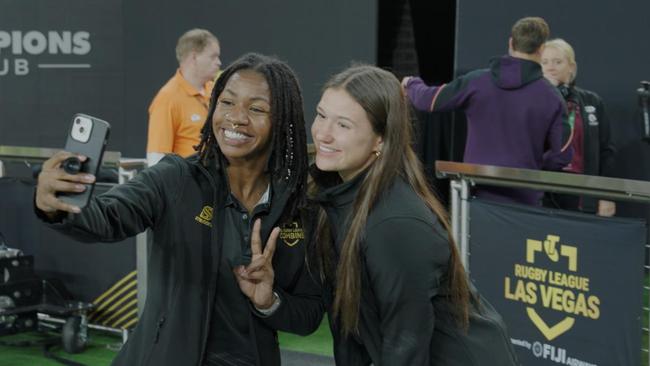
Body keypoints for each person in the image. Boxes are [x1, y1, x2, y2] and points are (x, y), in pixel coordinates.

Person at [35, 53, 323, 366]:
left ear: (282, 122)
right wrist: (58, 206)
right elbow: (109, 217)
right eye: (227, 102)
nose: (236, 117)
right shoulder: (177, 178)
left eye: (256, 108)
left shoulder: (298, 207)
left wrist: (270, 302)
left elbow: (307, 315)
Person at [308, 65, 519, 365]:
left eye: (343, 125)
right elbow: (348, 323)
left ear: (380, 140)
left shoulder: (395, 223)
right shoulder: (337, 196)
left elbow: (405, 342)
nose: (323, 133)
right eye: (321, 115)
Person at [402, 16, 572, 205]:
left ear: (510, 43)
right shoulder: (552, 97)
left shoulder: (476, 82)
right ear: (541, 49)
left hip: (475, 197)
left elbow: (428, 101)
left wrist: (411, 83)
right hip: (525, 202)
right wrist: (532, 167)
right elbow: (561, 155)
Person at [541, 38, 616, 216]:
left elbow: (607, 152)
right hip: (542, 189)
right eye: (544, 62)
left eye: (557, 62)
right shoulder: (533, 101)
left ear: (571, 67)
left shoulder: (592, 101)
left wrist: (607, 195)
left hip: (582, 191)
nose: (550, 67)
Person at [146, 29, 222, 166]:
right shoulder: (167, 98)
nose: (219, 62)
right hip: (189, 183)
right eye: (213, 56)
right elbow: (156, 158)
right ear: (194, 58)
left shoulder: (215, 90)